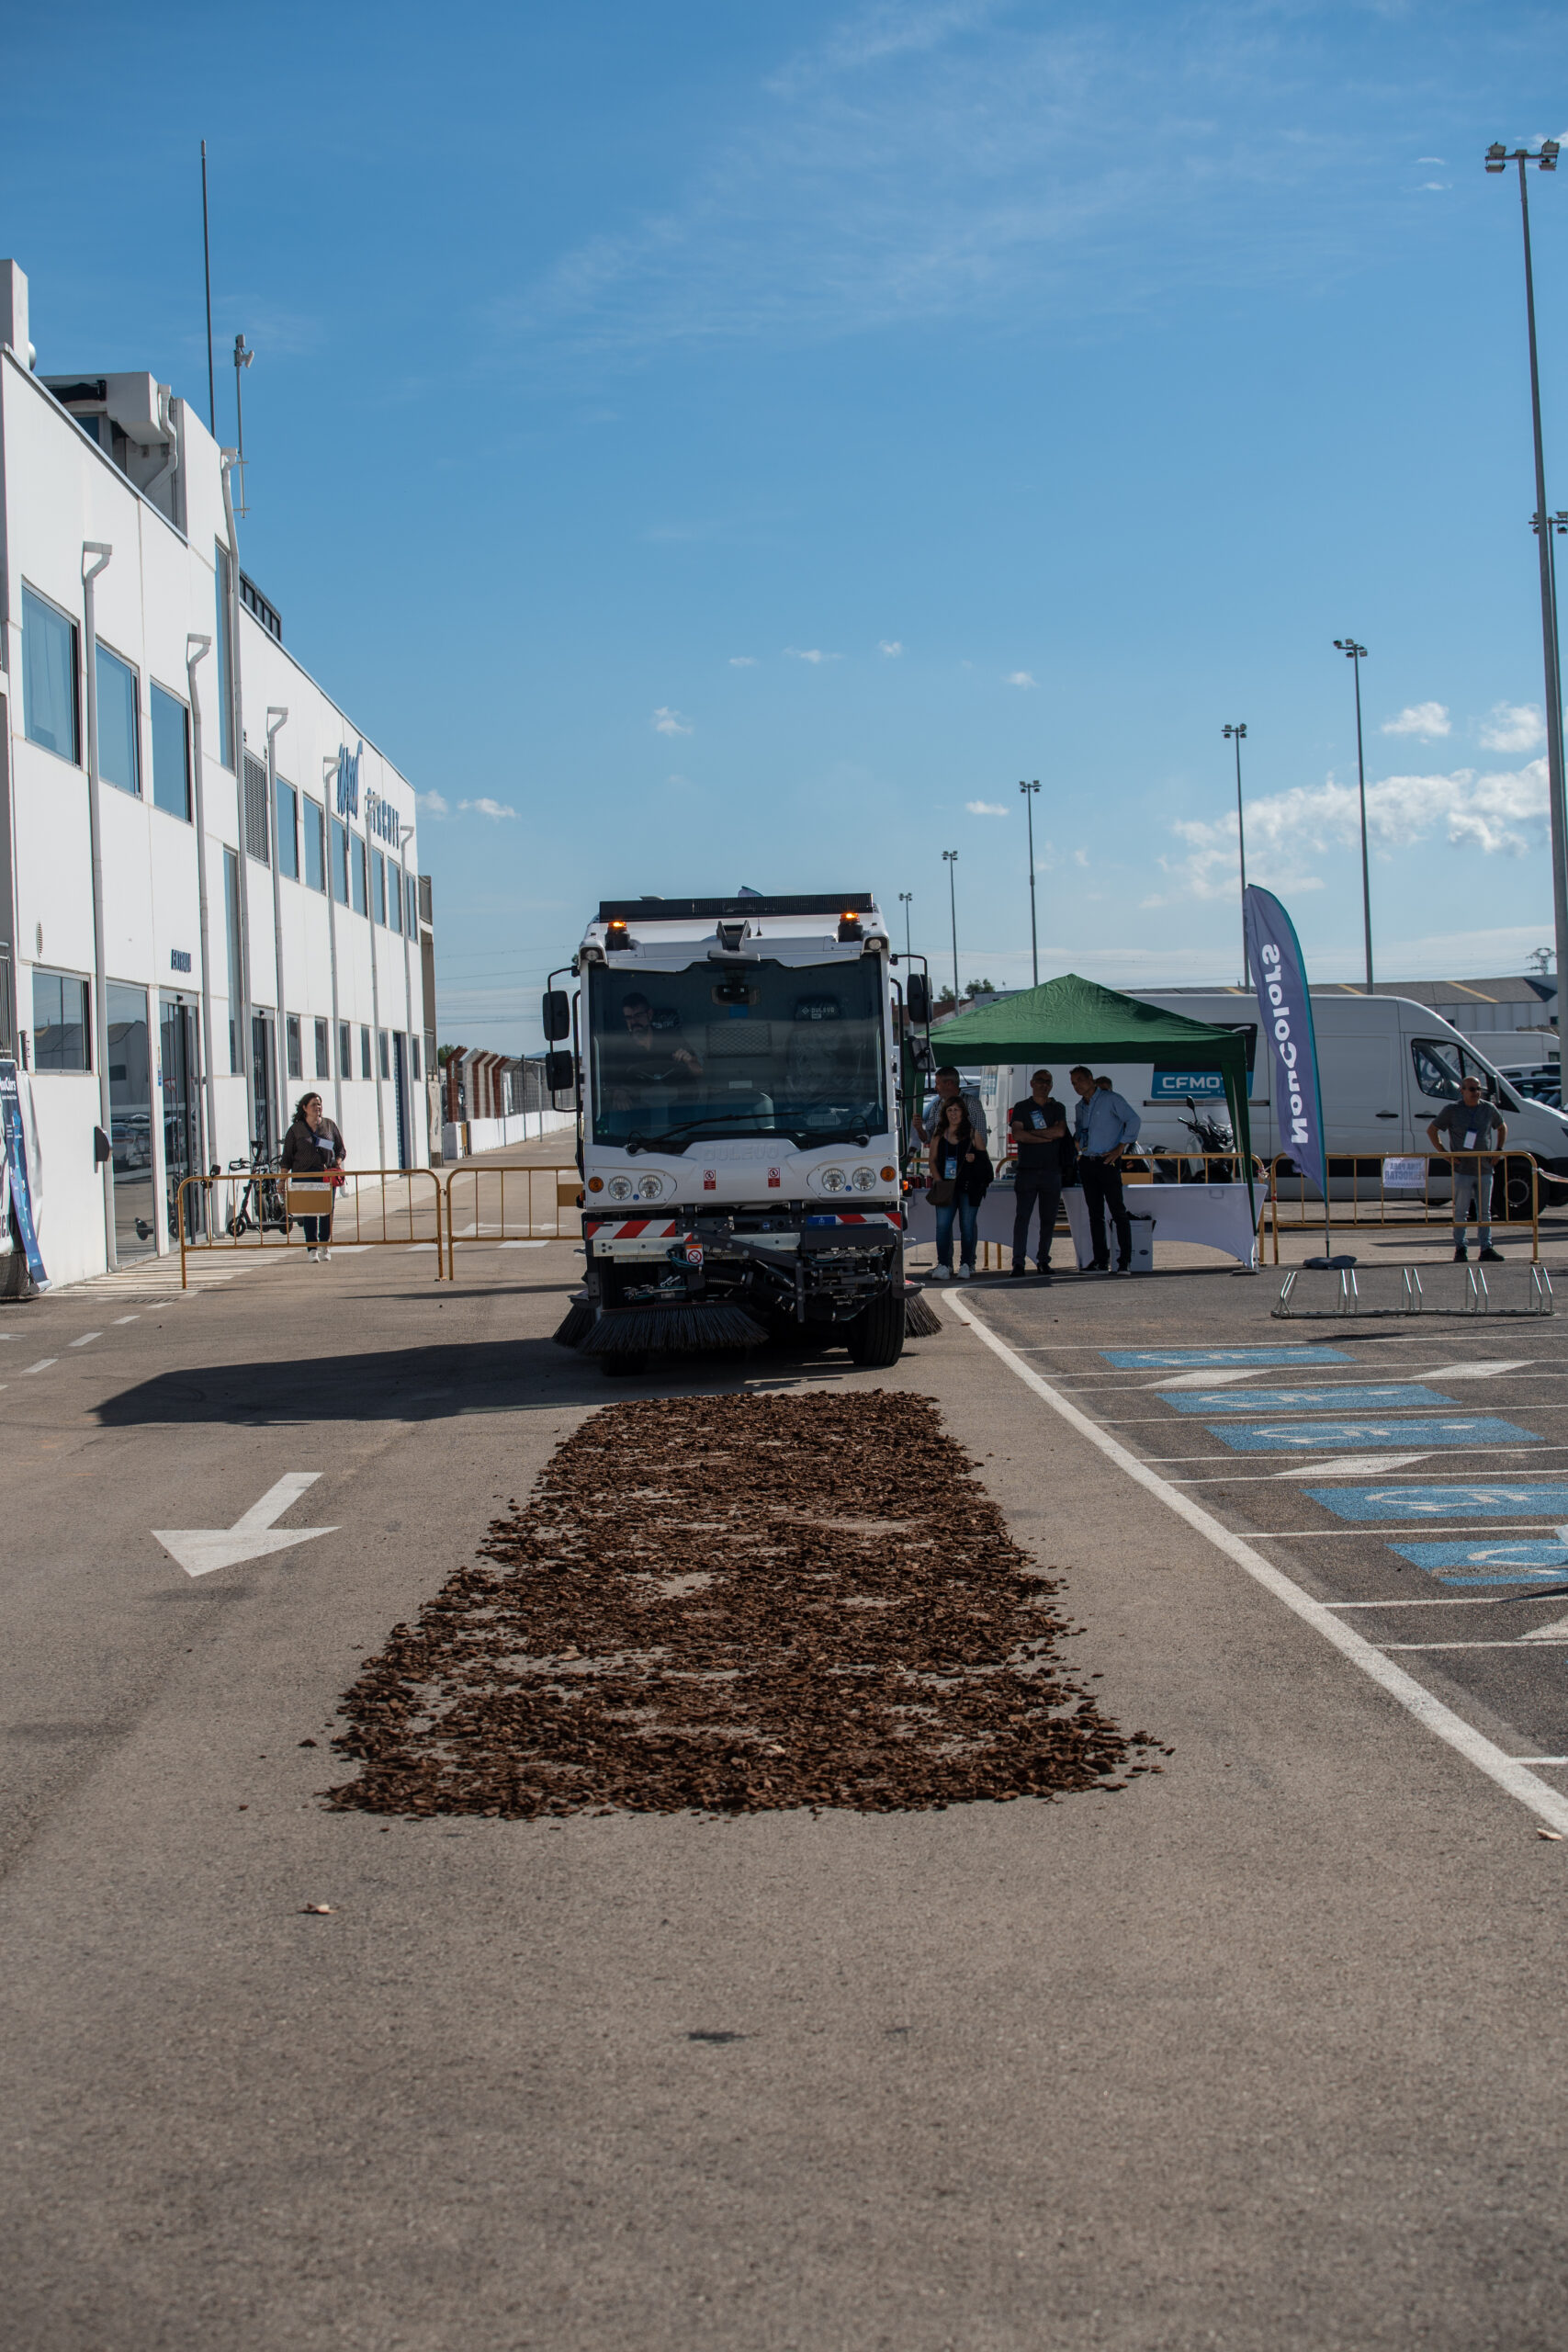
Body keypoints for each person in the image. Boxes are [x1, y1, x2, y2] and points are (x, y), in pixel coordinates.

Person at [1427, 1075, 1506, 1263]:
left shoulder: (1487, 1108)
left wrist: (1498, 1150)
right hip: (1463, 1169)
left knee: (1484, 1211)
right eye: (1471, 1089)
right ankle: (1460, 1247)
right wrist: (1444, 1153)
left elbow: (1501, 1127)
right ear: (1462, 1091)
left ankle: (1486, 1248)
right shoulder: (1452, 1110)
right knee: (1461, 1210)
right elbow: (1432, 1130)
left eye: (1478, 1089)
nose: (1476, 1093)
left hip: (1485, 1168)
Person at [1069, 1064, 1140, 1273]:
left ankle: (1124, 1260)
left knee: (1118, 1211)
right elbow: (1080, 1131)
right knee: (1095, 1214)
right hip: (1088, 1160)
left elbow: (1133, 1120)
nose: (1077, 1086)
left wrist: (1121, 1147)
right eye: (1073, 1083)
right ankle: (1100, 1259)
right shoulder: (1080, 1106)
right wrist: (1077, 1142)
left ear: (1090, 1079)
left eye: (1080, 1080)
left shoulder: (1111, 1099)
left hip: (1107, 1161)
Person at [1010, 1069, 1069, 1277]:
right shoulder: (1022, 1107)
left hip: (1052, 1171)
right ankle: (1018, 1262)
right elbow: (1018, 1134)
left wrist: (1031, 1133)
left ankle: (1043, 1260)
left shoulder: (1057, 1107)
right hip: (1027, 1170)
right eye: (1040, 1081)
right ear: (1032, 1083)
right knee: (1023, 1218)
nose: (1044, 1084)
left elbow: (1060, 1132)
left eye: (1048, 1081)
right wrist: (1046, 1136)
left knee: (1048, 1220)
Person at [927, 1097, 991, 1281]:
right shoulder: (939, 1134)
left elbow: (985, 1163)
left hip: (968, 1187)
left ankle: (966, 1263)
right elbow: (932, 1160)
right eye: (949, 1110)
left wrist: (974, 1159)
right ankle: (943, 1264)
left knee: (967, 1227)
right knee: (942, 1227)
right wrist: (938, 1181)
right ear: (945, 1114)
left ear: (963, 1112)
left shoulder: (972, 1134)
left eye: (956, 1110)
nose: (953, 1114)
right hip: (946, 1186)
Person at [280, 1091, 346, 1262]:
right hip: (304, 1176)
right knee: (309, 1214)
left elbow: (340, 1149)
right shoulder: (296, 1130)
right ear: (304, 1108)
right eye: (313, 1105)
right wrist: (281, 1180)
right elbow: (287, 1157)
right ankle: (312, 1249)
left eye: (319, 1104)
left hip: (325, 1176)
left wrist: (337, 1161)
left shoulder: (329, 1125)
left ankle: (325, 1245)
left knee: (326, 1211)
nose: (317, 1108)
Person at [915, 1065, 987, 1150]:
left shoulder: (972, 1104)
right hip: (942, 1160)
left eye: (937, 1083)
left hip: (965, 1161)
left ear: (949, 1084)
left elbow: (982, 1140)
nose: (935, 1088)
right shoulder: (936, 1105)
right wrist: (919, 1128)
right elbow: (927, 1139)